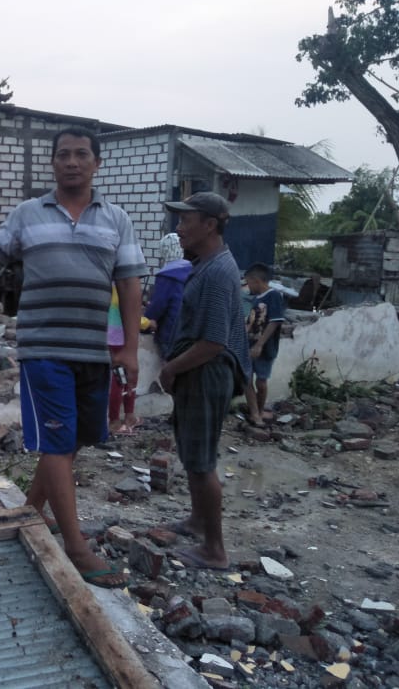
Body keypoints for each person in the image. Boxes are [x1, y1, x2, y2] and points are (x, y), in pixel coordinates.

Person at [0, 127, 146, 587]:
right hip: (44, 349)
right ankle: (75, 547)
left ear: (97, 163)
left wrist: (129, 348)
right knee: (55, 443)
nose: (72, 162)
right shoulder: (28, 214)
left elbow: (130, 284)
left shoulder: (117, 219)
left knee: (71, 442)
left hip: (92, 350)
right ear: (52, 163)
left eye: (81, 155)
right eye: (63, 155)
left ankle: (31, 512)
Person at [158, 193, 250, 571]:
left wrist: (171, 369)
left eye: (186, 220)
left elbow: (213, 342)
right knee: (194, 451)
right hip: (200, 373)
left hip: (205, 372)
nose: (179, 227)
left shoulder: (215, 273)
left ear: (209, 225)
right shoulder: (210, 264)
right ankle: (197, 522)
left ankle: (215, 549)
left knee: (201, 462)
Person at [243, 262, 285, 426]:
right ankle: (255, 413)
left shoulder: (273, 296)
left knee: (261, 381)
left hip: (265, 349)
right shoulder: (255, 300)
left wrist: (259, 345)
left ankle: (259, 411)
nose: (248, 287)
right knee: (246, 379)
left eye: (248, 282)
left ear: (255, 280)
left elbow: (274, 322)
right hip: (249, 345)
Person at [143, 233, 192, 360]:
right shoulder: (193, 269)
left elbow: (158, 306)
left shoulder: (166, 275)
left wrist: (147, 318)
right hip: (189, 333)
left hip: (169, 333)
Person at [107, 286, 138, 434]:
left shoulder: (109, 284)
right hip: (119, 337)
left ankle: (126, 417)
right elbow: (132, 313)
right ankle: (115, 420)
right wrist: (148, 323)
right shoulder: (123, 287)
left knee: (121, 377)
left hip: (111, 336)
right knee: (121, 378)